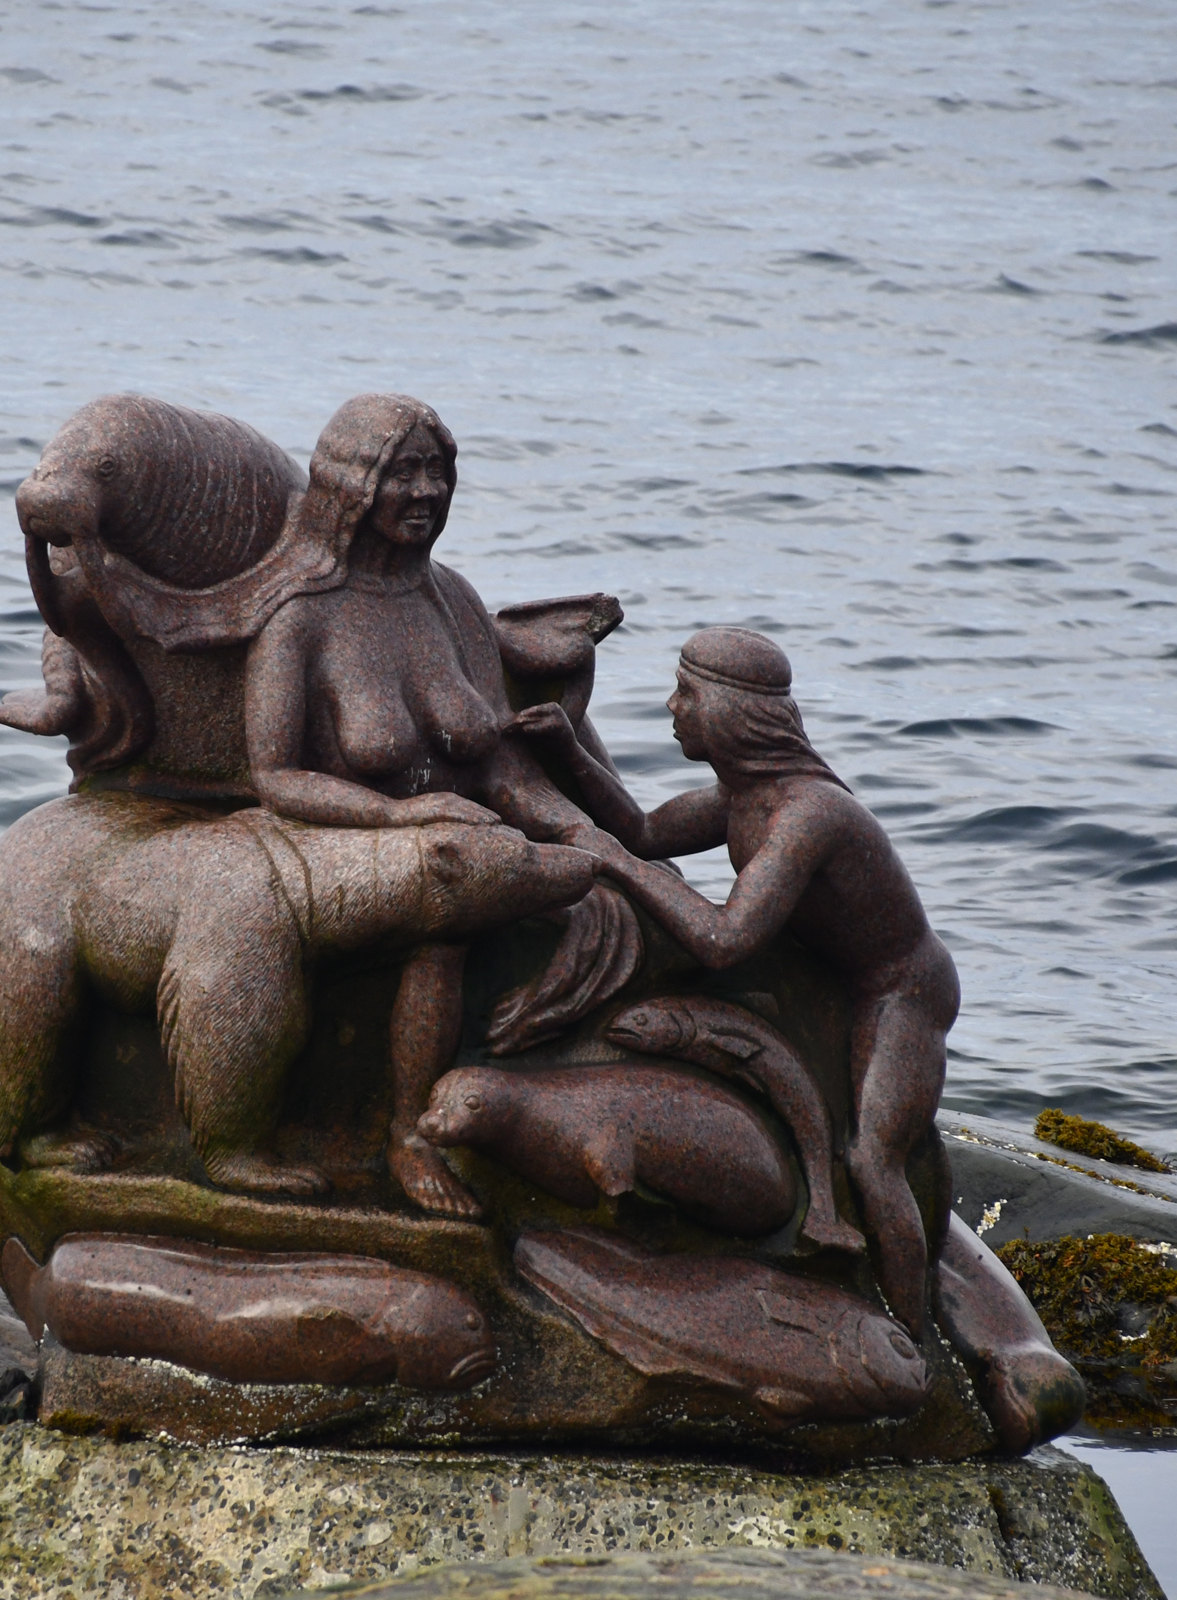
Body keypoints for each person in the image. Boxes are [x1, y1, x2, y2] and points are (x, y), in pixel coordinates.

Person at [511, 627, 957, 1333]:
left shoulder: (806, 814)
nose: (671, 707)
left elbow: (724, 939)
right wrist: (568, 749)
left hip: (899, 991)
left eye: (686, 694)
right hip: (816, 967)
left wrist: (616, 865)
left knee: (874, 1160)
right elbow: (644, 832)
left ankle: (913, 1335)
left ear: (731, 711)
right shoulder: (741, 797)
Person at [245, 394, 591, 1218]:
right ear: (352, 484)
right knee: (450, 910)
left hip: (465, 833)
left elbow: (496, 758)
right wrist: (400, 818)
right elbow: (275, 777)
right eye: (402, 472)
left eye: (437, 472)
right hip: (349, 838)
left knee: (606, 884)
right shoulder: (301, 618)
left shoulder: (453, 601)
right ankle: (410, 1135)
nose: (426, 491)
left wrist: (579, 830)